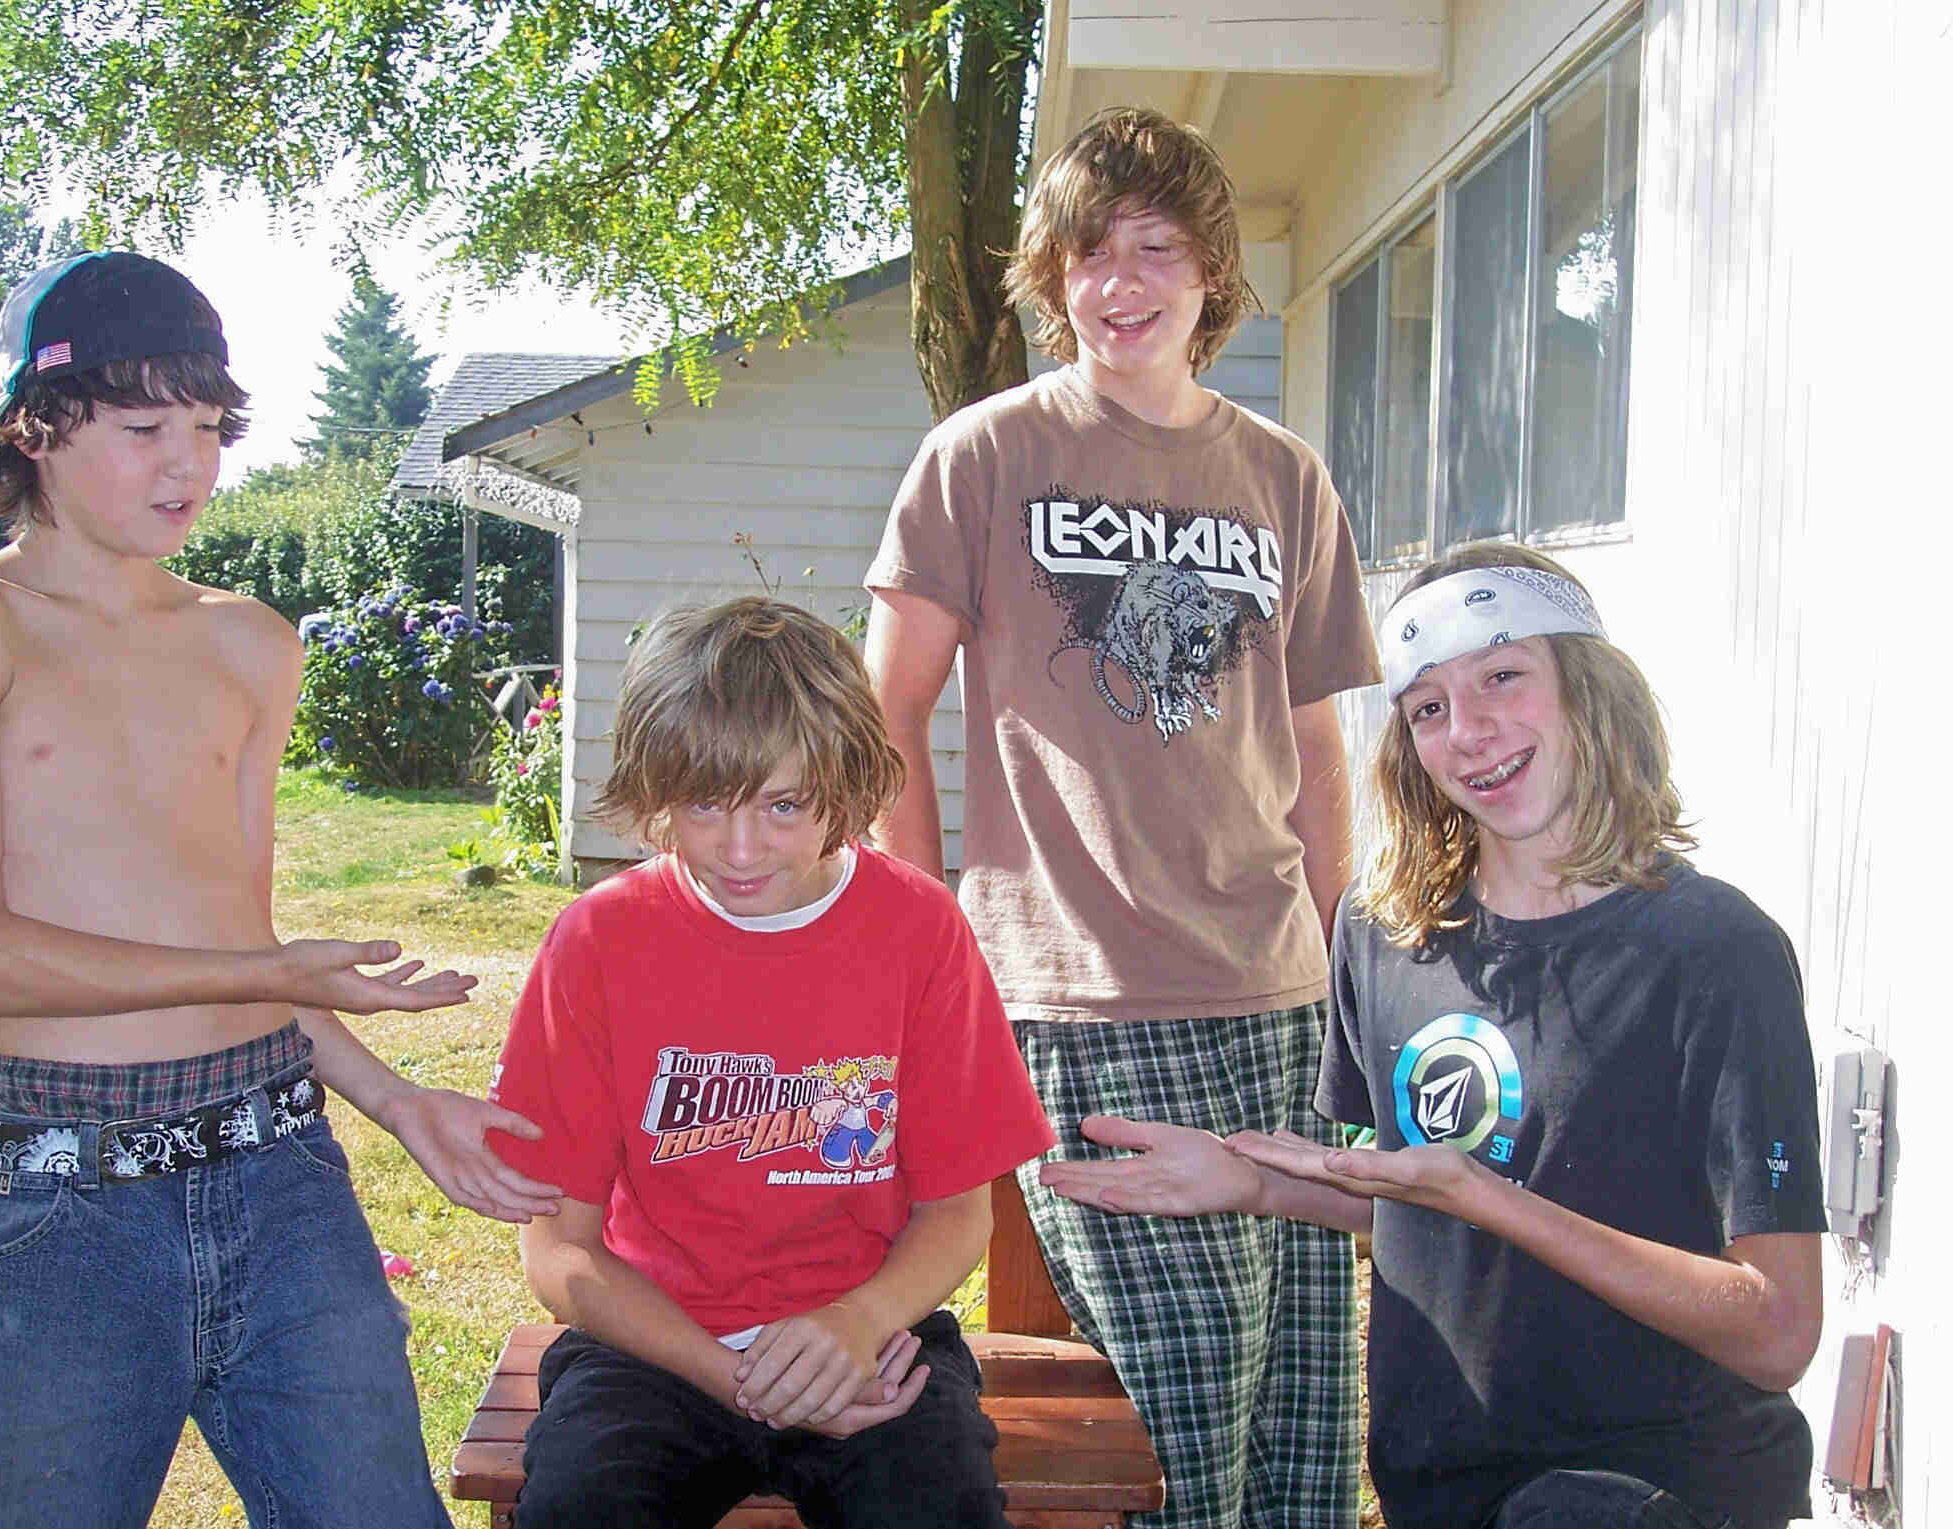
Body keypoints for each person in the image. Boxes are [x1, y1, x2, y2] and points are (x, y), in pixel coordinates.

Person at [0, 250, 559, 1529]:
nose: (186, 466)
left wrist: (397, 1101)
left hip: (277, 1173)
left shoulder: (250, 640)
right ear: (33, 428)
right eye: (143, 430)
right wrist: (267, 969)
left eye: (207, 428)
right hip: (56, 1204)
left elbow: (236, 939)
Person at [1043, 543, 1827, 1529]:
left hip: (1654, 1484)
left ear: (1589, 685)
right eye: (1427, 707)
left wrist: (1488, 1198)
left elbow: (1779, 1329)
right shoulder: (1386, 934)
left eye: (1503, 676)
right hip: (1444, 1481)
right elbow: (1425, 1216)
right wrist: (1254, 1182)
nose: (1469, 731)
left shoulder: (1716, 949)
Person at [862, 106, 1375, 1526]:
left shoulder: (1283, 476)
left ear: (1211, 271)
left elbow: (1315, 744)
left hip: (1283, 995)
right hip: (1083, 997)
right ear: (1053, 278)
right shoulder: (983, 455)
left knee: (1304, 1422)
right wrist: (932, 935)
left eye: (1154, 248)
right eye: (1089, 253)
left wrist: (1347, 957)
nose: (1120, 282)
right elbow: (883, 711)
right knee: (1182, 1417)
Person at [487, 595, 1056, 1527]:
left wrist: (856, 1321)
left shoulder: (919, 931)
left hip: (867, 1333)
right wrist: (738, 1376)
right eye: (704, 803)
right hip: (656, 1351)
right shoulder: (598, 941)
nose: (741, 848)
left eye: (784, 805)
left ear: (849, 781)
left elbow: (959, 1213)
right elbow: (559, 1248)